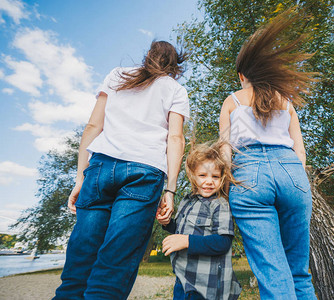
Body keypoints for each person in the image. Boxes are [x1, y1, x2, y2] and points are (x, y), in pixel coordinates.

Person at [54, 41, 189, 300]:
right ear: (175, 66)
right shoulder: (175, 89)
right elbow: (175, 139)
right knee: (114, 266)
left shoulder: (117, 75)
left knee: (78, 265)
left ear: (148, 56)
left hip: (100, 168)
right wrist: (170, 190)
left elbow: (93, 126)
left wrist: (80, 177)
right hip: (144, 171)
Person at [218, 8, 317, 300]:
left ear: (241, 76)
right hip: (292, 173)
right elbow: (299, 149)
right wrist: (296, 178)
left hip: (249, 174)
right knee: (299, 270)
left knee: (273, 273)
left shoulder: (232, 100)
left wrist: (227, 183)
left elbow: (225, 147)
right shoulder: (285, 101)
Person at [156, 142, 242, 300]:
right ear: (193, 175)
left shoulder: (220, 204)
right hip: (182, 280)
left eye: (215, 177)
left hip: (206, 285)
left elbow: (223, 242)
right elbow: (181, 230)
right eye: (203, 175)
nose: (209, 181)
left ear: (222, 178)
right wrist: (167, 223)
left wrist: (187, 241)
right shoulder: (187, 201)